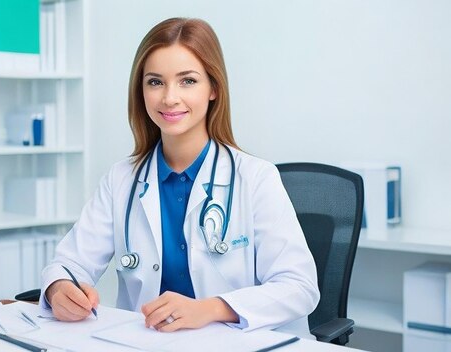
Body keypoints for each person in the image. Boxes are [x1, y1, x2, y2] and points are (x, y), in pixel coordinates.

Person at [40, 17, 320, 336]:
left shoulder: (255, 178)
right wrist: (60, 288)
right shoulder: (121, 180)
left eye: (187, 81)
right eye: (155, 82)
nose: (169, 97)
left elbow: (299, 287)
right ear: (141, 90)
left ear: (213, 88)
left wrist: (210, 308)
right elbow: (70, 262)